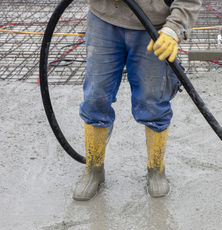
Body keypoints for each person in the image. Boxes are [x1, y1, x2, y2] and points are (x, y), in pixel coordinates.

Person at [73, 0, 202, 201]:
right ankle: (94, 170)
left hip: (154, 28)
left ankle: (156, 168)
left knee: (153, 101)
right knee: (95, 98)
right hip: (103, 20)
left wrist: (174, 28)